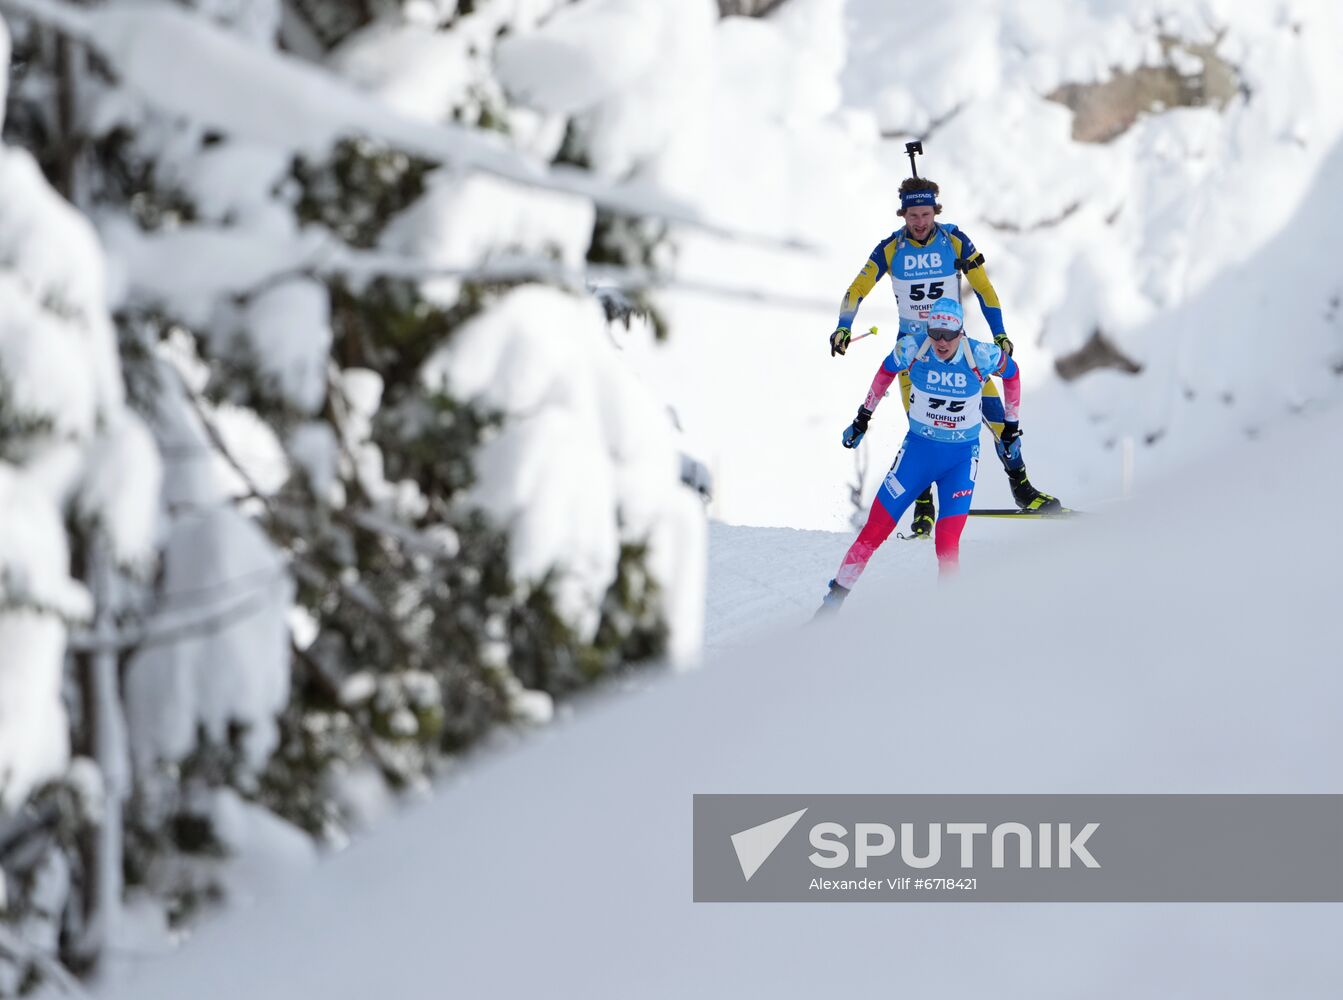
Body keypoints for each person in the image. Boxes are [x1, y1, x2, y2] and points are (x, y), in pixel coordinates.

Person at [828, 175, 1059, 536]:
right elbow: (856, 289)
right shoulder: (890, 248)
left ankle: (1023, 489)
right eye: (911, 215)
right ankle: (924, 506)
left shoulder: (954, 241)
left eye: (925, 214)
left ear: (936, 210)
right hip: (914, 356)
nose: (919, 222)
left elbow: (984, 289)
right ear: (902, 214)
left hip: (958, 350)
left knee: (1001, 424)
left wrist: (1000, 334)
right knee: (923, 431)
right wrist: (844, 325)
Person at [816, 298, 1018, 614]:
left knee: (947, 543)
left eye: (948, 334)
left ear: (960, 331)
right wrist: (862, 417)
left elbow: (1013, 374)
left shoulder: (980, 354)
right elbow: (884, 372)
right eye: (934, 332)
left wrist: (1011, 426)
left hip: (960, 461)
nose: (940, 341)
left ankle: (946, 619)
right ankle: (830, 607)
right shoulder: (914, 348)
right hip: (918, 453)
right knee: (873, 531)